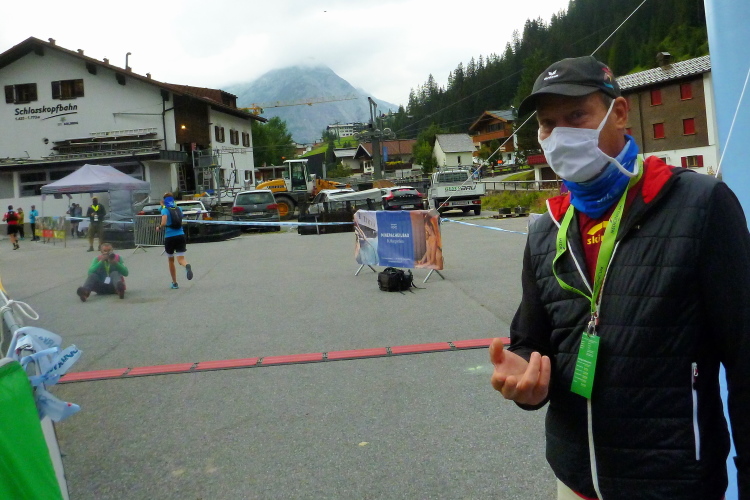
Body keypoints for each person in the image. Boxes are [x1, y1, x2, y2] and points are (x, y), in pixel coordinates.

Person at [489, 56, 749, 500]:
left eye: (577, 115)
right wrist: (526, 379)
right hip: (575, 481)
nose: (561, 135)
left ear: (620, 112)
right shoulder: (546, 228)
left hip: (673, 485)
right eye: (548, 124)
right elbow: (532, 340)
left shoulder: (701, 205)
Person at [155, 192, 193, 289]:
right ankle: (187, 265)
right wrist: (163, 206)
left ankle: (175, 283)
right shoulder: (178, 209)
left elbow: (164, 222)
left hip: (170, 237)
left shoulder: (165, 210)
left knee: (171, 260)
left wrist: (159, 227)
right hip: (180, 235)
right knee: (181, 259)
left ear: (164, 200)